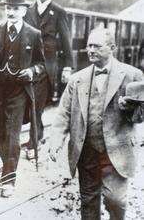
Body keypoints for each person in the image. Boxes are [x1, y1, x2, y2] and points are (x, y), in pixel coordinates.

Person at [48, 27, 144, 220]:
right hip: (86, 150)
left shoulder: (132, 75)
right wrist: (55, 141)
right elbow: (63, 114)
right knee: (88, 201)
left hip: (117, 149)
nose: (91, 50)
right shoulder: (77, 80)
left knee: (116, 200)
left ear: (112, 48)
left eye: (97, 46)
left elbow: (141, 115)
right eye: (89, 45)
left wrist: (130, 108)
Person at [0, 0, 46, 198]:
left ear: (23, 10)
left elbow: (42, 65)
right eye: (8, 8)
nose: (11, 12)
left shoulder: (34, 34)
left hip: (18, 92)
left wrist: (32, 71)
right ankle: (7, 168)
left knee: (12, 136)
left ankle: (8, 180)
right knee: (0, 133)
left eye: (15, 8)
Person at [24, 0, 73, 159]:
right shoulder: (28, 10)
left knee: (36, 103)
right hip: (28, 63)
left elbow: (67, 41)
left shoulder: (59, 12)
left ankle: (33, 142)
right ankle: (38, 134)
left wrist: (68, 66)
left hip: (47, 66)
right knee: (28, 103)